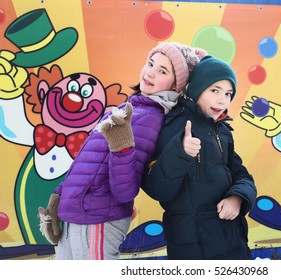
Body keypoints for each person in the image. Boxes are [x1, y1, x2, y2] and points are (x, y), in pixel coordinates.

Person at [37, 42, 206, 260]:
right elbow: (87, 164)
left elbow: (124, 191)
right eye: (151, 63)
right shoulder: (131, 108)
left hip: (98, 217)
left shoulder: (150, 119)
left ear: (176, 86)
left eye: (163, 71)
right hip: (79, 214)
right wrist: (60, 197)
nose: (151, 72)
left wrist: (122, 147)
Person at [141, 56, 257, 260]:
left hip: (231, 240)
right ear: (197, 89)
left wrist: (237, 198)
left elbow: (241, 173)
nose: (222, 100)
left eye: (228, 94)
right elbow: (157, 189)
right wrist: (180, 152)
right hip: (193, 248)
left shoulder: (222, 130)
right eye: (215, 90)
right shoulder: (174, 125)